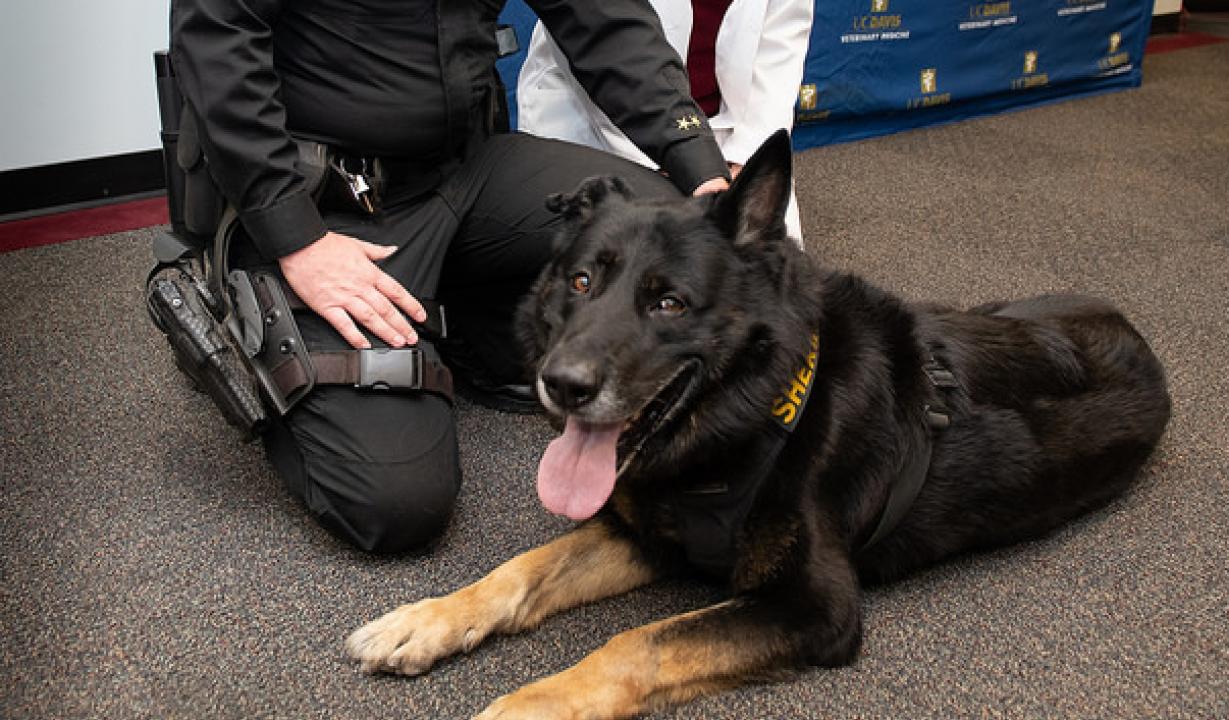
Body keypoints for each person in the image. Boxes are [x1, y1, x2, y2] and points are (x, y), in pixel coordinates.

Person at [165, 0, 732, 554]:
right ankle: (230, 306)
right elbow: (216, 32)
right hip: (324, 206)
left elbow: (607, 20)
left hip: (464, 173)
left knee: (657, 228)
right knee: (396, 502)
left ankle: (461, 333)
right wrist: (295, 237)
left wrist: (701, 168)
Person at [518, 0, 813, 241]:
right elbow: (606, 47)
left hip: (728, 125)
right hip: (598, 119)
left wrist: (744, 161)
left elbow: (782, 43)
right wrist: (671, 161)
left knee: (769, 266)